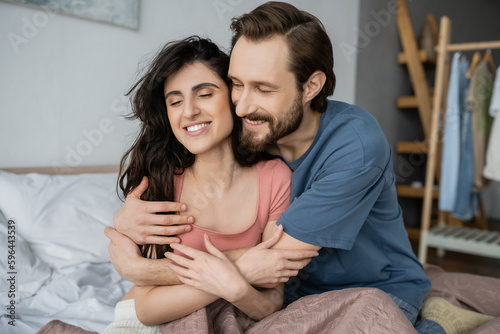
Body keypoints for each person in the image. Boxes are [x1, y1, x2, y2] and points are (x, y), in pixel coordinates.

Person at [105, 2, 494, 334]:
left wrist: (140, 272)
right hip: (297, 296)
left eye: (264, 88)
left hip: (373, 287)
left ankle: (432, 322)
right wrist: (125, 220)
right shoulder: (249, 129)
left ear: (310, 87)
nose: (241, 106)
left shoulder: (355, 145)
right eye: (236, 84)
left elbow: (270, 260)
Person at [103, 36, 315, 333]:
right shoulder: (161, 180)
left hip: (237, 321)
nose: (188, 111)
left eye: (204, 94)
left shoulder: (275, 178)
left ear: (233, 97)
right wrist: (238, 273)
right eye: (175, 101)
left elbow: (270, 304)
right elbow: (148, 309)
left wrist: (234, 285)